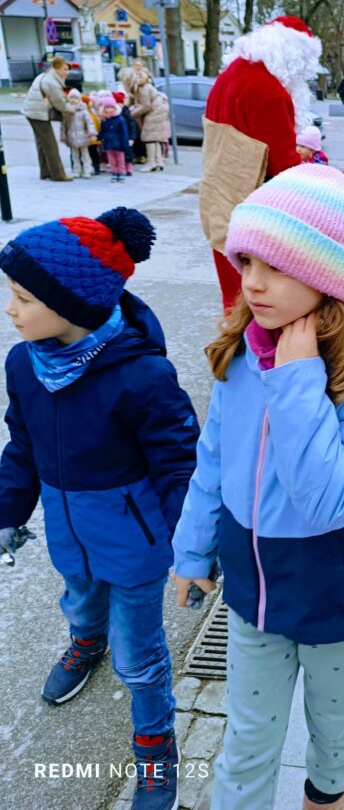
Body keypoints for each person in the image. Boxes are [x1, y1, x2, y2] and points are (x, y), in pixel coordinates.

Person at [172, 164, 344, 810]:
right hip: (253, 573)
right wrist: (193, 550)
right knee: (247, 736)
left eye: (274, 266)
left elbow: (330, 500)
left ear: (325, 274)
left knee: (333, 729)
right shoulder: (243, 348)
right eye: (246, 261)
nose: (252, 283)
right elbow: (214, 457)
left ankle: (328, 798)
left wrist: (300, 376)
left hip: (335, 580)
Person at [0, 207, 199, 810]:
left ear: (75, 307)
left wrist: (192, 548)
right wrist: (9, 511)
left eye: (24, 298)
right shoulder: (26, 366)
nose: (12, 310)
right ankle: (87, 640)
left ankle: (156, 745)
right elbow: (23, 443)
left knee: (140, 655)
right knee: (79, 595)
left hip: (135, 544)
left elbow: (178, 466)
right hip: (69, 529)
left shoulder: (142, 377)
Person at [200, 17, 322, 311]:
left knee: (232, 299)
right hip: (250, 208)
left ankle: (232, 351)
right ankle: (251, 354)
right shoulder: (269, 90)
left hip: (217, 198)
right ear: (294, 55)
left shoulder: (229, 74)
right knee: (253, 302)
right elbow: (285, 167)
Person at [21, 55, 73, 181]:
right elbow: (60, 103)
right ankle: (58, 175)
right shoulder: (52, 82)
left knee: (42, 143)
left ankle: (45, 172)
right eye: (65, 69)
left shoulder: (45, 76)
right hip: (38, 114)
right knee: (50, 145)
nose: (67, 72)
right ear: (57, 68)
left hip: (32, 112)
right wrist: (75, 109)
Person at [61, 89, 97, 178]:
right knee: (75, 156)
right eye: (71, 98)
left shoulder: (83, 111)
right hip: (72, 137)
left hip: (83, 137)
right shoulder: (67, 112)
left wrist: (92, 133)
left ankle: (87, 170)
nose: (73, 100)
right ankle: (77, 170)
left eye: (76, 98)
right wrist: (63, 136)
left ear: (79, 100)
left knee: (85, 155)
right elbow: (63, 126)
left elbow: (90, 123)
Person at [136, 88, 171, 172]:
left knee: (150, 140)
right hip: (160, 118)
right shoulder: (160, 97)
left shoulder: (146, 91)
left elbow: (146, 106)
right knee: (156, 140)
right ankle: (158, 161)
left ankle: (151, 162)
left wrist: (133, 113)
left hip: (153, 118)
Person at [100, 98, 131, 183]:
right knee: (111, 160)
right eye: (107, 107)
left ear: (115, 108)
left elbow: (124, 132)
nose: (109, 109)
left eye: (111, 107)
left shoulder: (120, 119)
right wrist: (100, 139)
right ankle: (114, 172)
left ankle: (120, 173)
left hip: (119, 144)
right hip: (109, 144)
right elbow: (102, 131)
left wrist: (125, 143)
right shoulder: (105, 120)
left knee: (120, 159)